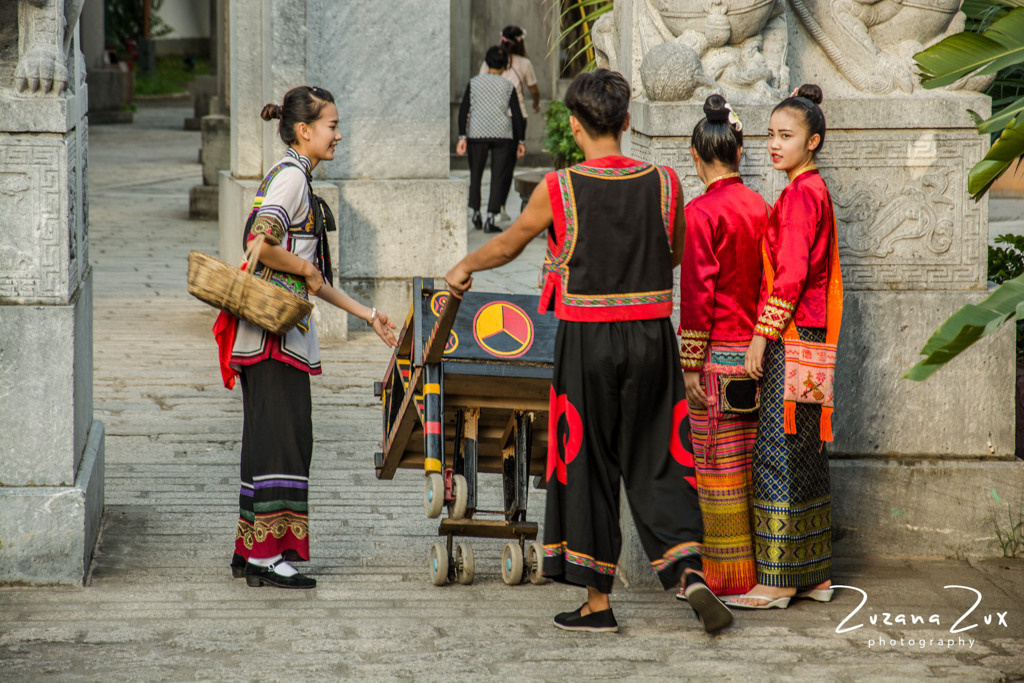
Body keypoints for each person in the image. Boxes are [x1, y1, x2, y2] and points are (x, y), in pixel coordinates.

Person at [446, 69, 733, 635]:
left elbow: (509, 243)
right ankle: (689, 572)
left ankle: (597, 605)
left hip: (588, 340)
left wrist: (464, 266)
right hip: (652, 336)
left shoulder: (559, 188)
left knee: (588, 463)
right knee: (661, 456)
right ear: (626, 123)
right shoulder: (668, 182)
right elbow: (672, 254)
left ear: (575, 127)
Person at [227, 85, 398, 589]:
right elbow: (261, 240)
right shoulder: (294, 181)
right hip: (274, 336)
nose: (338, 135)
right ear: (304, 130)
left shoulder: (291, 176)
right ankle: (267, 556)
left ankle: (251, 549)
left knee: (268, 438)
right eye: (331, 126)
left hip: (269, 335)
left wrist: (369, 315)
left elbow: (315, 282)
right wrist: (300, 263)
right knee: (285, 439)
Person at [731, 83, 843, 609]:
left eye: (786, 135)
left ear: (813, 141)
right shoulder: (812, 190)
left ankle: (778, 578)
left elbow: (791, 275)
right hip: (812, 335)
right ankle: (815, 573)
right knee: (804, 449)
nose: (774, 144)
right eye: (771, 134)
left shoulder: (799, 196)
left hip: (793, 333)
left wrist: (760, 336)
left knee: (778, 447)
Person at [677, 95, 765, 599]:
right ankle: (766, 570)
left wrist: (690, 364)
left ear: (696, 155)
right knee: (757, 465)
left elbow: (696, 296)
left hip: (715, 360)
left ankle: (728, 576)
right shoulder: (760, 206)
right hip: (757, 357)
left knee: (718, 469)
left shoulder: (700, 213)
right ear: (739, 151)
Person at [458, 45, 526, 234]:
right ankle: (490, 217)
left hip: (477, 133)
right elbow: (518, 115)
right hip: (502, 134)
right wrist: (521, 141)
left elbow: (464, 110)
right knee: (498, 176)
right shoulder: (508, 86)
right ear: (505, 66)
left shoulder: (474, 83)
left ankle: (475, 213)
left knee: (476, 174)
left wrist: (462, 136)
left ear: (486, 63)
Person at [479, 25, 541, 220]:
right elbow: (533, 89)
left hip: (491, 117)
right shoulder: (524, 63)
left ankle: (488, 208)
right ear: (521, 42)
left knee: (493, 165)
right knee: (507, 165)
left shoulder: (487, 62)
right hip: (516, 118)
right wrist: (536, 103)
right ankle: (500, 207)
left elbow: (481, 84)